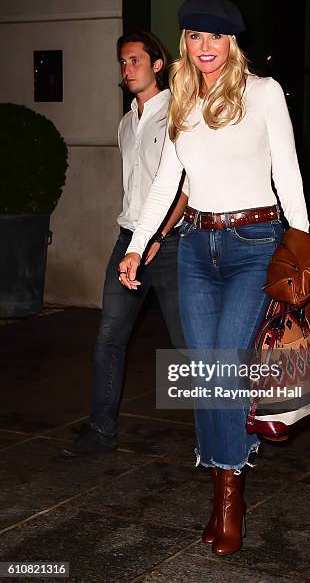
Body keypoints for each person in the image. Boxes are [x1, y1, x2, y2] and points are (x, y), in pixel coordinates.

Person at [118, 0, 310, 555]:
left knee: (224, 367)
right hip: (198, 246)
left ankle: (229, 500)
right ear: (185, 43)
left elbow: (288, 172)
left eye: (217, 37)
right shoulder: (179, 99)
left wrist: (299, 251)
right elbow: (166, 185)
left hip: (256, 243)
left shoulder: (263, 93)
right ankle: (225, 488)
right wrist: (138, 245)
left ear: (233, 42)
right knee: (207, 374)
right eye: (196, 37)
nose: (206, 47)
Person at [63, 30, 186, 458]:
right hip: (127, 241)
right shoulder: (125, 122)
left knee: (187, 345)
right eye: (122, 61)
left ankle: (227, 431)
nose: (127, 68)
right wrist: (135, 241)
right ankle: (100, 431)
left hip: (169, 247)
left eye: (135, 60)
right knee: (109, 337)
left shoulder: (178, 113)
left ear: (157, 65)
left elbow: (185, 188)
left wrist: (160, 236)